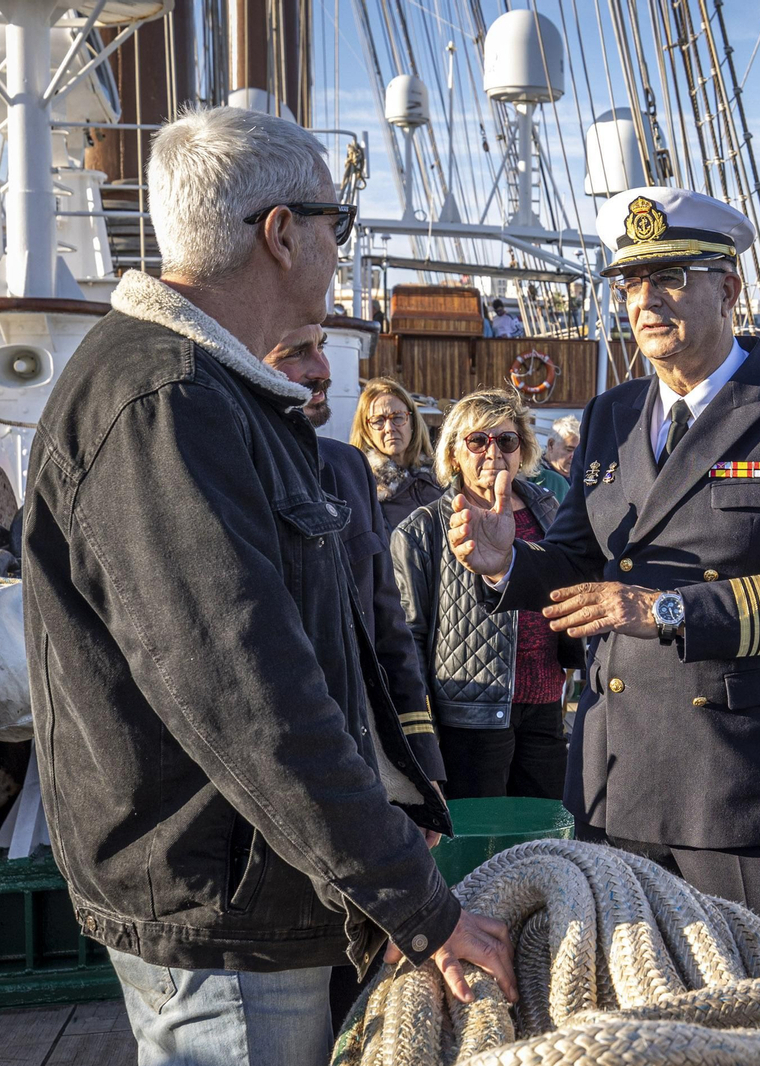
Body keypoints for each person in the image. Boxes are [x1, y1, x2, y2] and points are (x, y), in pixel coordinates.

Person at [22, 106, 515, 1066]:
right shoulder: (166, 405)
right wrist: (415, 904)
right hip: (228, 922)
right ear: (283, 234)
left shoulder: (207, 394)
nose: (340, 248)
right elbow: (248, 692)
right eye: (339, 223)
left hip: (255, 886)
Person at [446, 185, 760, 992]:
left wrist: (664, 609)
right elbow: (577, 563)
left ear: (729, 288)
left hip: (741, 782)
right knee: (630, 1005)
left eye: (670, 277)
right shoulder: (610, 415)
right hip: (616, 776)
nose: (645, 300)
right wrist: (507, 562)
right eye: (631, 283)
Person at [261, 326, 448, 1028]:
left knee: (363, 985)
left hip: (369, 766)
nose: (322, 371)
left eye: (322, 352)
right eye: (295, 354)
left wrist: (422, 771)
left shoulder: (345, 469)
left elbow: (388, 630)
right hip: (286, 775)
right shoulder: (231, 466)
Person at [393, 388, 568, 801]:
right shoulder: (421, 530)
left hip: (546, 704)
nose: (493, 452)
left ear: (522, 450)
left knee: (544, 830)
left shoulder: (551, 511)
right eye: (477, 440)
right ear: (454, 453)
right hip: (468, 716)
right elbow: (408, 639)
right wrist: (421, 737)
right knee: (479, 834)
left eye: (506, 440)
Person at [352, 377, 442, 531]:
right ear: (366, 430)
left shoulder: (440, 478)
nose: (389, 428)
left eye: (398, 417)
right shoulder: (362, 488)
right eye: (378, 420)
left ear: (412, 422)